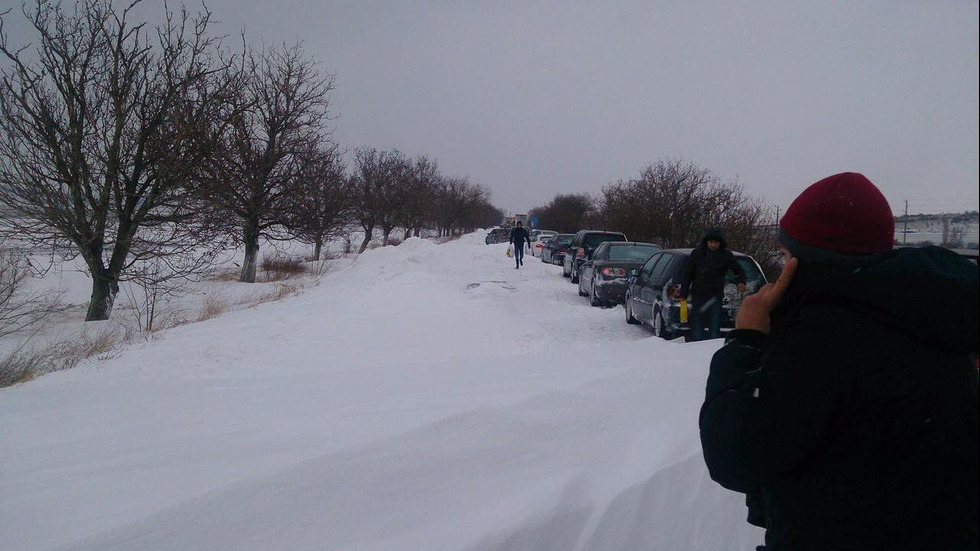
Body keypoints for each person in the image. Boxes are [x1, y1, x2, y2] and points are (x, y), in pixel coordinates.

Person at [699, 172, 979, 550]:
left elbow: (733, 455)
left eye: (784, 257)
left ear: (808, 263)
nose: (780, 272)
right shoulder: (931, 315)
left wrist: (746, 340)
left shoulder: (825, 337)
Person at [678, 228, 747, 340]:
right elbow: (687, 274)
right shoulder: (697, 254)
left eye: (716, 242)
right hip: (698, 296)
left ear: (720, 243)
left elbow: (739, 270)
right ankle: (696, 348)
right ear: (706, 242)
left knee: (714, 329)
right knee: (697, 328)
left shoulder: (726, 255)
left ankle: (711, 349)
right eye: (711, 242)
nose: (713, 245)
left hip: (716, 297)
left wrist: (741, 281)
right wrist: (683, 294)